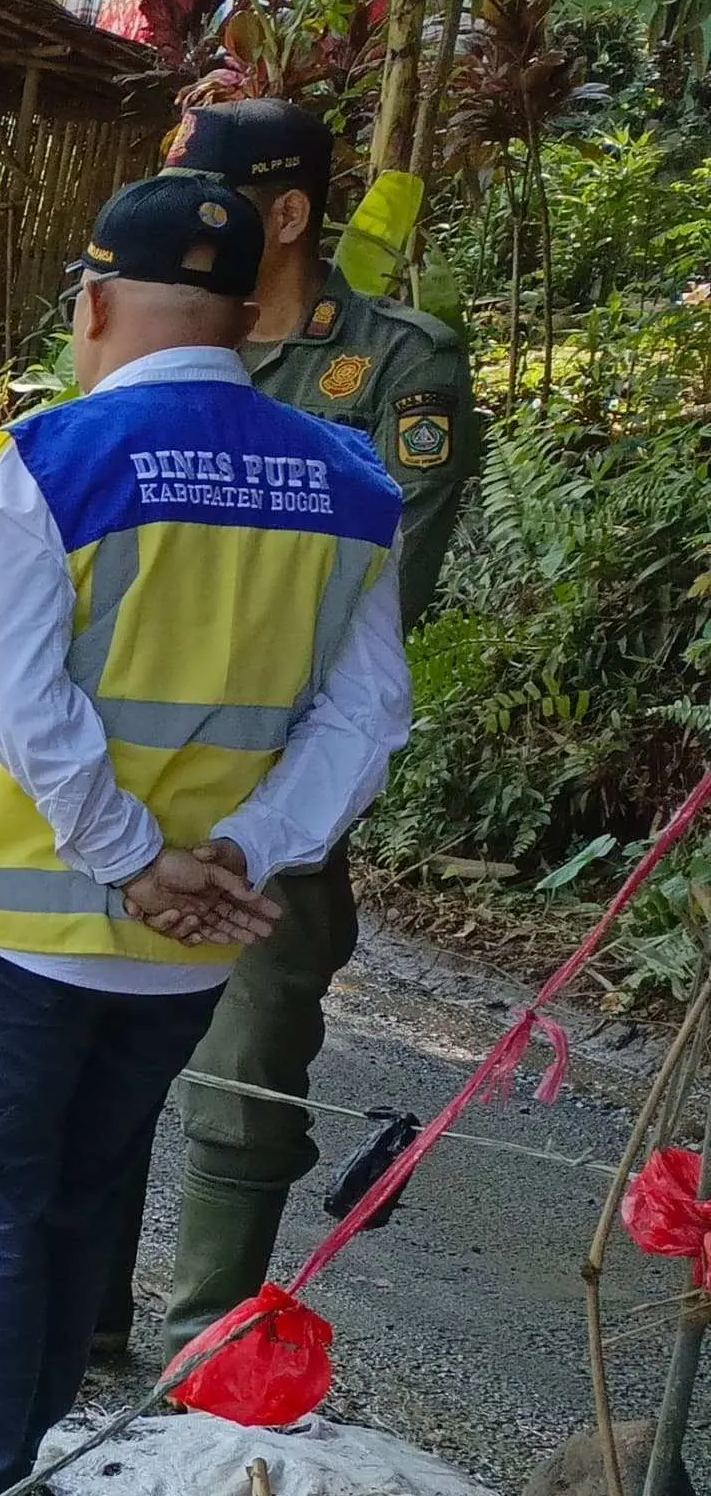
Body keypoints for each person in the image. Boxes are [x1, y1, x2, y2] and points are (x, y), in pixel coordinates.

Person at [0, 170, 410, 1496]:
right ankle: (11, 1470)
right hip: (191, 941)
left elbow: (16, 696)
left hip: (20, 913)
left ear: (93, 301)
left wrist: (132, 859)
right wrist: (239, 853)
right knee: (79, 1190)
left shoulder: (49, 457)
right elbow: (366, 716)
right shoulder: (352, 483)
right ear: (258, 314)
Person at [81, 97, 480, 1359]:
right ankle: (75, 1325)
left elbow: (376, 602)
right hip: (113, 777)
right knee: (86, 1052)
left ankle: (203, 1357)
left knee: (245, 1079)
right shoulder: (135, 324)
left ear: (288, 213)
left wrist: (256, 820)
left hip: (280, 786)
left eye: (212, 193)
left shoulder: (389, 367)